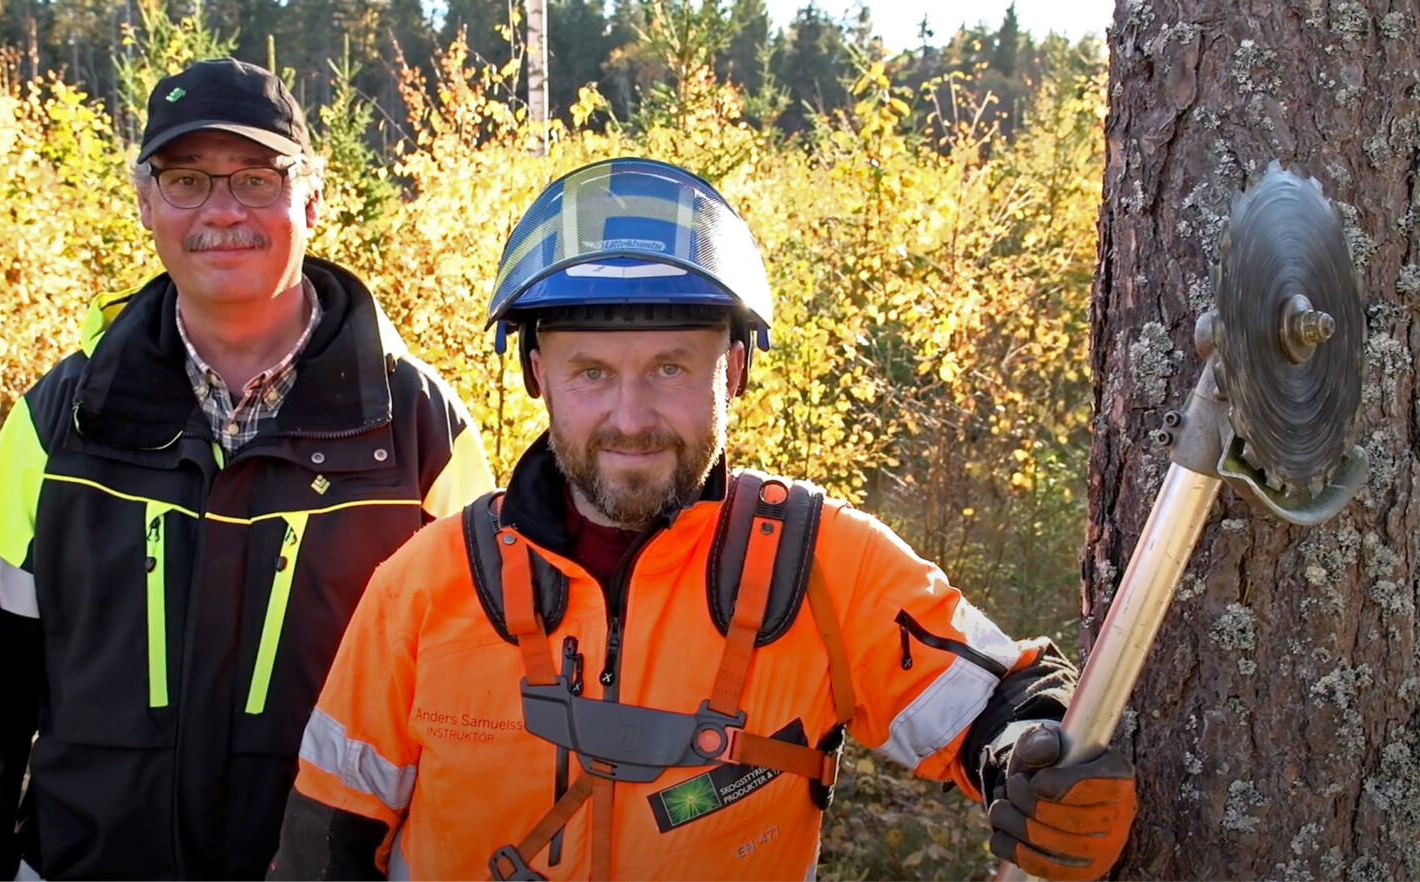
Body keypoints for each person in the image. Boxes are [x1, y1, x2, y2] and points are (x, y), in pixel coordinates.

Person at [270, 158, 1136, 881]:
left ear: (734, 371)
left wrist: (1038, 762)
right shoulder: (428, 586)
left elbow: (1002, 699)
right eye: (592, 373)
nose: (633, 416)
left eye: (672, 368)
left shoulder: (819, 564)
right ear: (535, 374)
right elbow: (328, 840)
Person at [0, 57, 494, 880]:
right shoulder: (58, 422)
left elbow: (477, 710)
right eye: (186, 181)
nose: (221, 212)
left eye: (256, 179)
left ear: (312, 200)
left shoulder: (421, 428)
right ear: (145, 203)